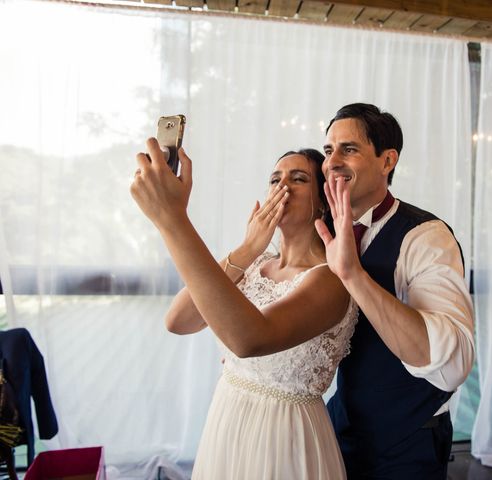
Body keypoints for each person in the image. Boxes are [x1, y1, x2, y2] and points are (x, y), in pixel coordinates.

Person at [130, 140, 359, 479]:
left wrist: (172, 221)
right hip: (228, 417)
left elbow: (248, 340)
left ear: (323, 202)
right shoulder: (256, 263)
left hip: (283, 436)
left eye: (298, 179)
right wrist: (248, 248)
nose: (282, 187)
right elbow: (178, 320)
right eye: (274, 179)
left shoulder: (330, 279)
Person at [314, 103, 475, 479]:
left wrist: (353, 274)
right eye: (328, 150)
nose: (332, 161)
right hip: (340, 426)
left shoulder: (426, 237)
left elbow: (453, 366)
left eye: (348, 149)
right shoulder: (326, 230)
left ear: (387, 161)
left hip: (407, 441)